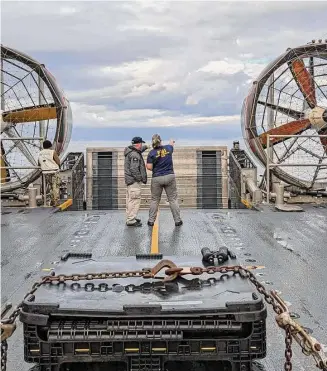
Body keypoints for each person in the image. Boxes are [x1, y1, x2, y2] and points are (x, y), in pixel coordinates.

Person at [146, 134, 182, 227]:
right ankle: (177, 221)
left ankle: (151, 221)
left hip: (157, 178)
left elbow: (149, 167)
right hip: (169, 176)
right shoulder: (168, 148)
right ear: (161, 141)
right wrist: (171, 141)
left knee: (155, 200)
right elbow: (171, 144)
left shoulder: (151, 153)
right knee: (173, 199)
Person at [124, 136, 149, 227]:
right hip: (134, 181)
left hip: (129, 181)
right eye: (141, 143)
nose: (142, 145)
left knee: (130, 200)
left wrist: (146, 147)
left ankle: (130, 217)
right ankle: (131, 220)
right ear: (138, 144)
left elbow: (138, 150)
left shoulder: (131, 151)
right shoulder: (135, 155)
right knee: (135, 200)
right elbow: (134, 169)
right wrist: (139, 178)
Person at [38, 140, 61, 206]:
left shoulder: (40, 153)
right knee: (55, 186)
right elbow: (58, 161)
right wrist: (59, 166)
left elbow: (39, 163)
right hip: (54, 170)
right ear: (50, 145)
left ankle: (51, 200)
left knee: (50, 186)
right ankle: (55, 201)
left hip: (45, 171)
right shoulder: (52, 152)